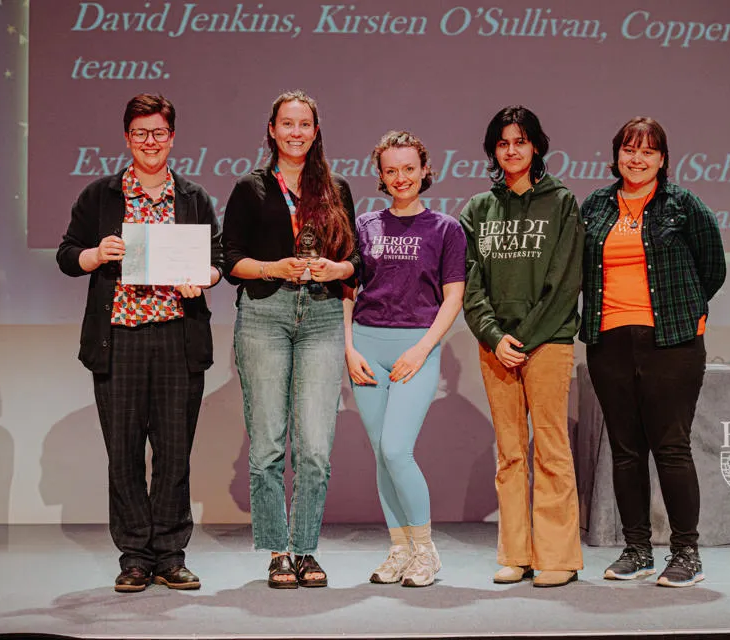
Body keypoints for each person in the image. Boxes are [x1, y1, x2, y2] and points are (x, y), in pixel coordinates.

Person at [57, 94, 224, 593]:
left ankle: (170, 553)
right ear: (127, 137)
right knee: (124, 451)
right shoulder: (101, 196)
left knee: (174, 451)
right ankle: (134, 556)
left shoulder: (192, 197)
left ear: (172, 138)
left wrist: (206, 277)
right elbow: (67, 254)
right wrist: (93, 254)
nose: (150, 142)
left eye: (158, 133)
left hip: (177, 335)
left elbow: (217, 259)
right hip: (119, 339)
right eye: (140, 134)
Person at [580, 117, 725, 588]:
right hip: (609, 342)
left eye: (647, 151)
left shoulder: (683, 205)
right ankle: (637, 549)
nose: (636, 159)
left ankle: (686, 553)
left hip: (672, 343)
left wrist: (688, 313)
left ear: (662, 159)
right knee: (625, 451)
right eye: (628, 149)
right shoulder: (597, 205)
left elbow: (713, 267)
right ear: (616, 153)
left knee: (671, 448)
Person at [221, 90, 358, 589]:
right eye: (288, 124)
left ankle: (306, 549)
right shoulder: (251, 188)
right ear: (273, 130)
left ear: (315, 131)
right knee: (267, 448)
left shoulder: (336, 188)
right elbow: (228, 259)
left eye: (305, 125)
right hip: (265, 313)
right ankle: (278, 551)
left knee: (316, 448)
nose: (296, 132)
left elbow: (357, 262)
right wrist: (273, 268)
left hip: (321, 314)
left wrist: (334, 267)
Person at [460, 106, 584, 588]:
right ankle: (516, 553)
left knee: (550, 448)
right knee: (510, 453)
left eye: (521, 141)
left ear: (536, 146)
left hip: (547, 342)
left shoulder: (562, 203)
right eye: (503, 143)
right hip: (497, 347)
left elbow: (564, 279)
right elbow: (470, 285)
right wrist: (495, 336)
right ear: (494, 150)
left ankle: (558, 558)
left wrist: (525, 340)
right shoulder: (477, 210)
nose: (512, 151)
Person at [344, 131, 466, 588]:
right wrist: (348, 347)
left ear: (424, 170)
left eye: (409, 169)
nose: (401, 178)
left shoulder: (446, 228)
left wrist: (423, 348)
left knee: (397, 449)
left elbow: (453, 297)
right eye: (391, 170)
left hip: (417, 344)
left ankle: (426, 551)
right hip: (366, 346)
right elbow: (349, 290)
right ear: (380, 175)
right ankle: (400, 549)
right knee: (381, 454)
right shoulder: (365, 225)